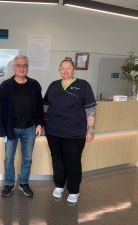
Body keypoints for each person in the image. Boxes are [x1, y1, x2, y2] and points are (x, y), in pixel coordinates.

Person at [43, 57, 96, 203]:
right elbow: (45, 106)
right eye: (63, 68)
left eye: (69, 68)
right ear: (59, 70)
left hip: (74, 133)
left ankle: (73, 190)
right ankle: (59, 185)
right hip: (53, 131)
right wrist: (41, 123)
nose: (65, 71)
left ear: (74, 69)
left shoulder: (83, 85)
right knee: (57, 160)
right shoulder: (53, 85)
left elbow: (90, 109)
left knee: (72, 161)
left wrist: (90, 129)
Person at [0, 55, 44, 197]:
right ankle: (9, 183)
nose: (22, 68)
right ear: (14, 67)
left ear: (28, 68)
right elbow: (0, 110)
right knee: (9, 158)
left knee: (27, 158)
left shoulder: (35, 85)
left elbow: (40, 107)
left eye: (25, 65)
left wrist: (40, 124)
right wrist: (2, 131)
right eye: (19, 65)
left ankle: (23, 183)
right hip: (11, 128)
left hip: (30, 128)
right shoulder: (5, 86)